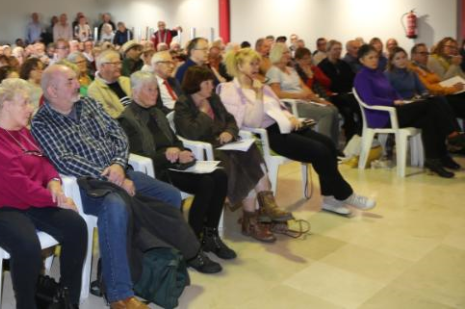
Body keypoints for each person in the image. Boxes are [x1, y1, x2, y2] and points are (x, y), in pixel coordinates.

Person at [33, 65, 216, 308]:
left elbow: (119, 135)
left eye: (76, 79)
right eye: (70, 81)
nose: (78, 84)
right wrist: (108, 175)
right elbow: (62, 159)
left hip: (119, 172)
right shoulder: (42, 121)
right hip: (85, 185)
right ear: (52, 90)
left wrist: (118, 166)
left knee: (169, 195)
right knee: (117, 206)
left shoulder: (89, 105)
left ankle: (158, 269)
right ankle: (119, 294)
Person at [0, 79, 88, 309]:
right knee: (27, 245)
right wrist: (56, 199)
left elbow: (45, 164)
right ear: (5, 105)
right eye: (25, 103)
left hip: (29, 202)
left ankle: (67, 300)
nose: (31, 108)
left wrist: (54, 182)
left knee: (76, 226)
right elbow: (17, 185)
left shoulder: (22, 132)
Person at [219, 48, 376, 216]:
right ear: (239, 66)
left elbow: (279, 107)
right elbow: (251, 122)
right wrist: (257, 96)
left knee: (328, 144)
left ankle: (329, 198)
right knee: (320, 151)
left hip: (284, 125)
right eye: (252, 63)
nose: (257, 67)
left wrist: (291, 117)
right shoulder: (230, 90)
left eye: (258, 63)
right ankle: (346, 194)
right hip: (267, 134)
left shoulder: (262, 86)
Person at [120, 71, 234, 261]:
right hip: (157, 171)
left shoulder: (157, 113)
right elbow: (140, 159)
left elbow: (175, 140)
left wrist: (180, 151)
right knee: (206, 183)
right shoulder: (127, 120)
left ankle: (210, 235)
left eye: (156, 89)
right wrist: (167, 155)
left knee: (220, 175)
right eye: (149, 89)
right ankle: (193, 242)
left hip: (175, 164)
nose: (154, 93)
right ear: (135, 92)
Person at [174, 66, 291, 241]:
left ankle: (262, 210)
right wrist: (204, 114)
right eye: (207, 83)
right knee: (242, 162)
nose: (211, 86)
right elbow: (190, 133)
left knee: (251, 149)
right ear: (195, 84)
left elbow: (230, 120)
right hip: (205, 150)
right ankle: (256, 216)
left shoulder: (213, 98)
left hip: (224, 143)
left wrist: (229, 132)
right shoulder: (183, 104)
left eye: (211, 82)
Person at [354, 45, 460, 177]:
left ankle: (436, 158)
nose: (374, 60)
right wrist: (392, 102)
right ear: (361, 60)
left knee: (430, 118)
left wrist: (400, 100)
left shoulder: (378, 73)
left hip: (395, 111)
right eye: (370, 57)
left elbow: (393, 92)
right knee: (431, 104)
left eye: (376, 57)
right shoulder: (362, 77)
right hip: (383, 117)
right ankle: (452, 134)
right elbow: (369, 100)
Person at [266, 44, 341, 147]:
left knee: (333, 108)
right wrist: (298, 95)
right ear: (277, 54)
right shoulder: (273, 71)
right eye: (285, 53)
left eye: (288, 52)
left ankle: (334, 145)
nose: (288, 55)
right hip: (290, 105)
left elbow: (305, 88)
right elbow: (277, 94)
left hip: (303, 101)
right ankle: (326, 146)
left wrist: (320, 101)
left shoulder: (291, 70)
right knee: (326, 113)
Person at [410, 43, 465, 121]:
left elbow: (439, 82)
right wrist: (452, 88)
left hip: (441, 92)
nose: (426, 56)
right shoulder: (415, 68)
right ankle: (454, 131)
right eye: (422, 53)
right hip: (433, 97)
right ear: (413, 55)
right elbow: (429, 88)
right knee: (458, 102)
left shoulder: (424, 67)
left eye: (427, 53)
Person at [87, 50, 131, 119]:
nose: (119, 66)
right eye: (115, 64)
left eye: (119, 63)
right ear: (102, 66)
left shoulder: (126, 80)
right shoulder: (94, 89)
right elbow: (107, 115)